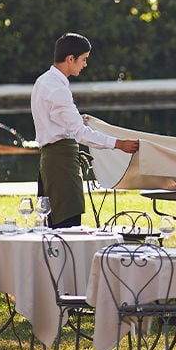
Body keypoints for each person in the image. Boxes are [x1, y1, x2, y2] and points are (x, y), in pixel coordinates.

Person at [31, 33, 140, 228]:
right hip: (61, 164)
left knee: (54, 224)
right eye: (84, 59)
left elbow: (51, 119)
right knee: (67, 226)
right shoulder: (58, 89)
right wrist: (119, 144)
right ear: (70, 59)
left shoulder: (43, 81)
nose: (85, 64)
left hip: (50, 162)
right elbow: (81, 134)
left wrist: (75, 121)